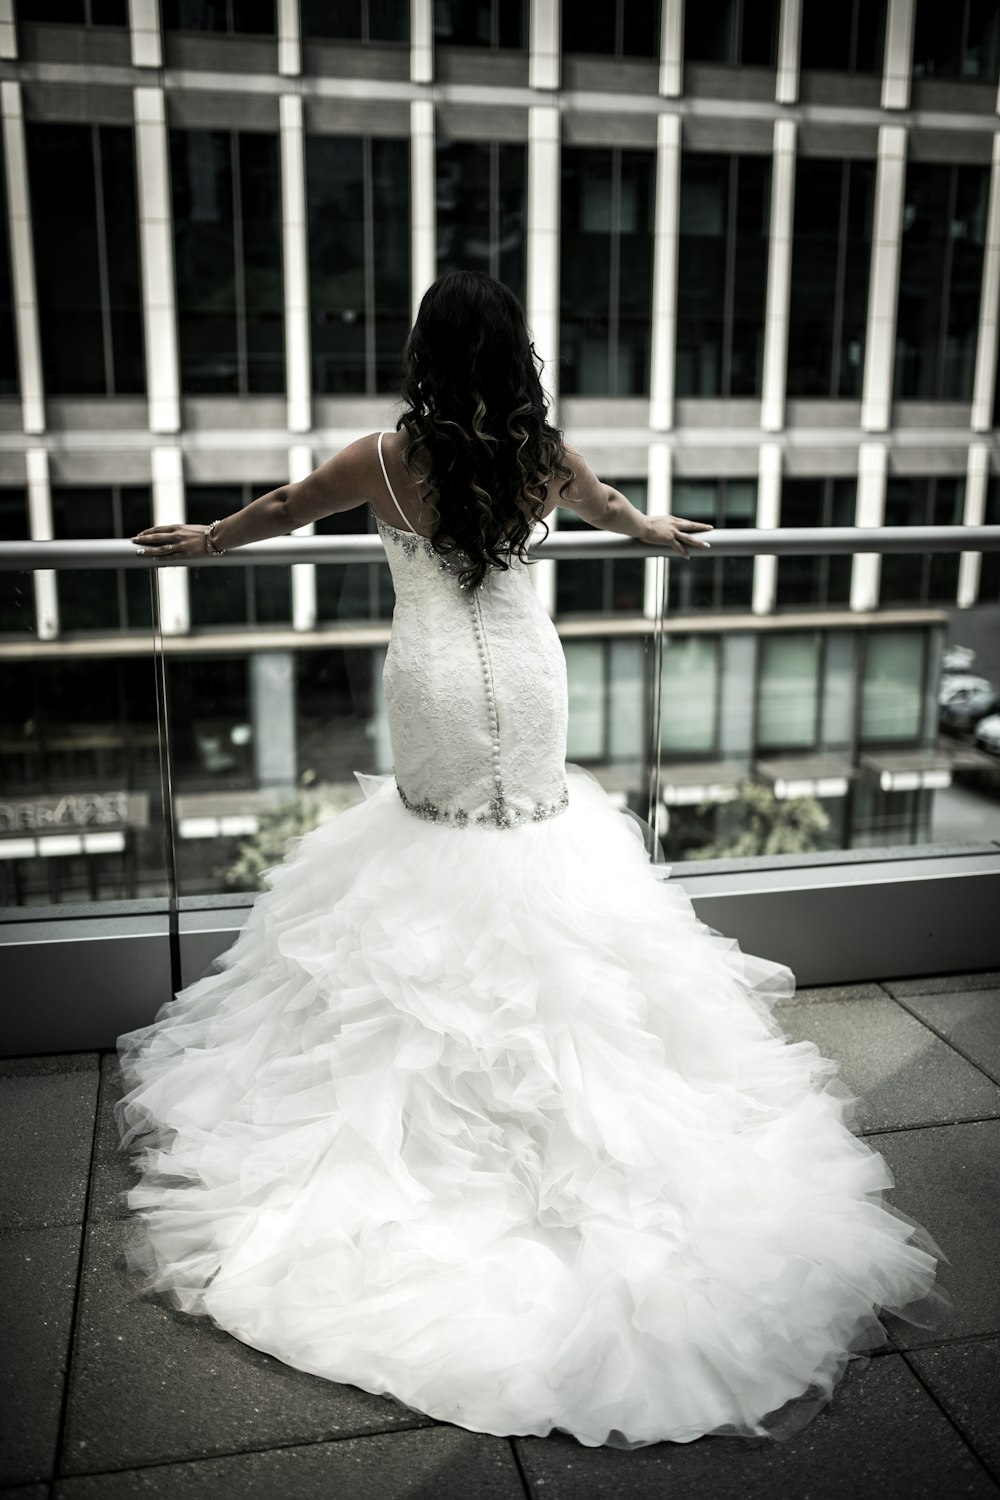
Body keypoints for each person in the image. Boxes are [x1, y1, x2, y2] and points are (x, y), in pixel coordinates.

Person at [116, 270, 942, 1450]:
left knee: (438, 844)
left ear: (420, 353)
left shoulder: (382, 457)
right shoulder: (538, 452)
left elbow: (283, 508)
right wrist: (656, 530)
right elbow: (609, 506)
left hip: (433, 684)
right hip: (529, 673)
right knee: (536, 842)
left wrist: (201, 539)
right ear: (515, 356)